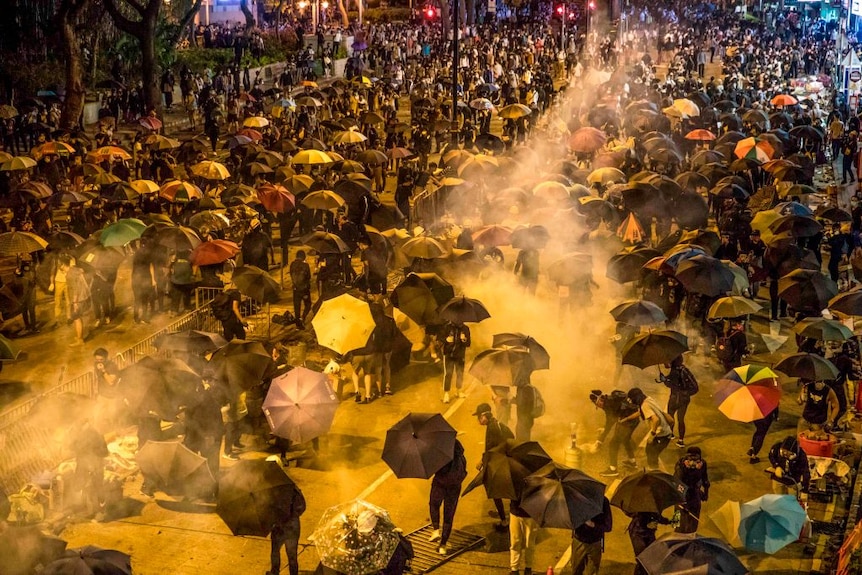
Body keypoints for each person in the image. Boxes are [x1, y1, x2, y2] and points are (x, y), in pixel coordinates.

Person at [474, 402, 514, 528]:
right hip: (504, 460)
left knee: (494, 490)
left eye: (479, 417)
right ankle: (507, 515)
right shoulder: (497, 424)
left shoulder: (492, 428)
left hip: (497, 462)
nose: (478, 420)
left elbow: (491, 448)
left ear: (484, 416)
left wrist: (482, 461)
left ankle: (504, 521)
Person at [428, 438, 467, 556]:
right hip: (454, 487)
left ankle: (436, 529)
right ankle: (443, 545)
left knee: (434, 504)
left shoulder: (440, 453)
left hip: (440, 484)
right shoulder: (460, 456)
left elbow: (434, 468)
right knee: (448, 516)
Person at [591, 389, 640, 477]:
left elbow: (610, 422)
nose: (598, 406)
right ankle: (632, 463)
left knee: (613, 444)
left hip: (627, 421)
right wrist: (604, 430)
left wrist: (600, 440)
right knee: (626, 440)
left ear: (600, 400)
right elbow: (611, 420)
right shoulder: (610, 399)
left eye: (597, 403)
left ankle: (613, 469)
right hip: (634, 420)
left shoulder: (608, 405)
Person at [628, 387, 673, 470]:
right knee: (651, 452)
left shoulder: (644, 405)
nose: (631, 401)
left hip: (662, 435)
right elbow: (640, 413)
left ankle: (655, 473)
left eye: (631, 399)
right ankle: (655, 470)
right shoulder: (648, 400)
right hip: (665, 432)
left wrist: (652, 434)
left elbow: (656, 420)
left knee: (652, 454)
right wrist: (626, 419)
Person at [70, 418, 108, 519]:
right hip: (95, 464)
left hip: (90, 465)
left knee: (91, 487)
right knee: (96, 486)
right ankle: (98, 511)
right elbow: (105, 451)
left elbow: (77, 448)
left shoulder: (87, 435)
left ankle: (97, 511)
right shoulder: (95, 432)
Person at [659, 355, 698, 448]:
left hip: (680, 399)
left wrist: (684, 394)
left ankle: (680, 439)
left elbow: (695, 387)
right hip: (675, 398)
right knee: (672, 417)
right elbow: (671, 383)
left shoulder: (683, 371)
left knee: (679, 419)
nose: (665, 363)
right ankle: (673, 435)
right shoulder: (676, 370)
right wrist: (664, 380)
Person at [266, 483, 306, 575]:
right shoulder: (294, 489)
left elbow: (269, 509)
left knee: (275, 551)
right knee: (292, 555)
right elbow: (302, 507)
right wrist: (293, 514)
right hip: (293, 526)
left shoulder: (273, 492)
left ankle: (274, 572)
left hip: (279, 526)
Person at [570, 496, 612, 575]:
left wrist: (593, 525)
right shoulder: (577, 499)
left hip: (595, 542)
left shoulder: (603, 501)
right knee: (576, 570)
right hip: (579, 541)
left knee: (592, 572)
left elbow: (608, 526)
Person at [673, 447, 710, 533]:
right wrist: (686, 469)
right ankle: (675, 533)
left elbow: (705, 479)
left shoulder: (702, 464)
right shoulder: (680, 465)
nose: (693, 462)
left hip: (694, 493)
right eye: (691, 458)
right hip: (681, 495)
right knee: (678, 520)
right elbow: (678, 484)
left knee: (693, 520)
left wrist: (706, 492)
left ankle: (691, 534)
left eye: (695, 459)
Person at [438, 321, 470, 404]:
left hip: (460, 355)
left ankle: (458, 391)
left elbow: (468, 343)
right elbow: (439, 338)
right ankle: (446, 393)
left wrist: (464, 339)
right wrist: (446, 339)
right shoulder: (446, 327)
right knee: (448, 374)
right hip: (449, 354)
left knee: (460, 373)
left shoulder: (465, 329)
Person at [63, 255, 91, 346]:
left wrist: (75, 303)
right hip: (84, 296)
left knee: (76, 318)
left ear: (63, 265)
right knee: (78, 317)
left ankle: (80, 340)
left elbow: (75, 289)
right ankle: (79, 336)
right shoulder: (75, 270)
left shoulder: (69, 275)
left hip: (78, 300)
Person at [509, 498, 538, 575]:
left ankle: (528, 568)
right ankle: (514, 569)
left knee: (529, 543)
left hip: (530, 514)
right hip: (515, 512)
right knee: (515, 542)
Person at [14, 254, 38, 333]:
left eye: (29, 261)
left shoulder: (31, 269)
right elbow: (17, 281)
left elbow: (34, 278)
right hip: (23, 292)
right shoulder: (20, 270)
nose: (28, 263)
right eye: (25, 261)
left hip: (30, 291)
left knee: (31, 309)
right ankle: (28, 326)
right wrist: (16, 273)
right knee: (24, 309)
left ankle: (33, 327)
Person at [289, 250, 312, 328]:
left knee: (297, 307)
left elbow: (291, 275)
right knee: (308, 304)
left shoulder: (292, 264)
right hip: (304, 289)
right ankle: (303, 317)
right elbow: (309, 277)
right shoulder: (306, 265)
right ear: (303, 257)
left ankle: (298, 324)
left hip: (296, 289)